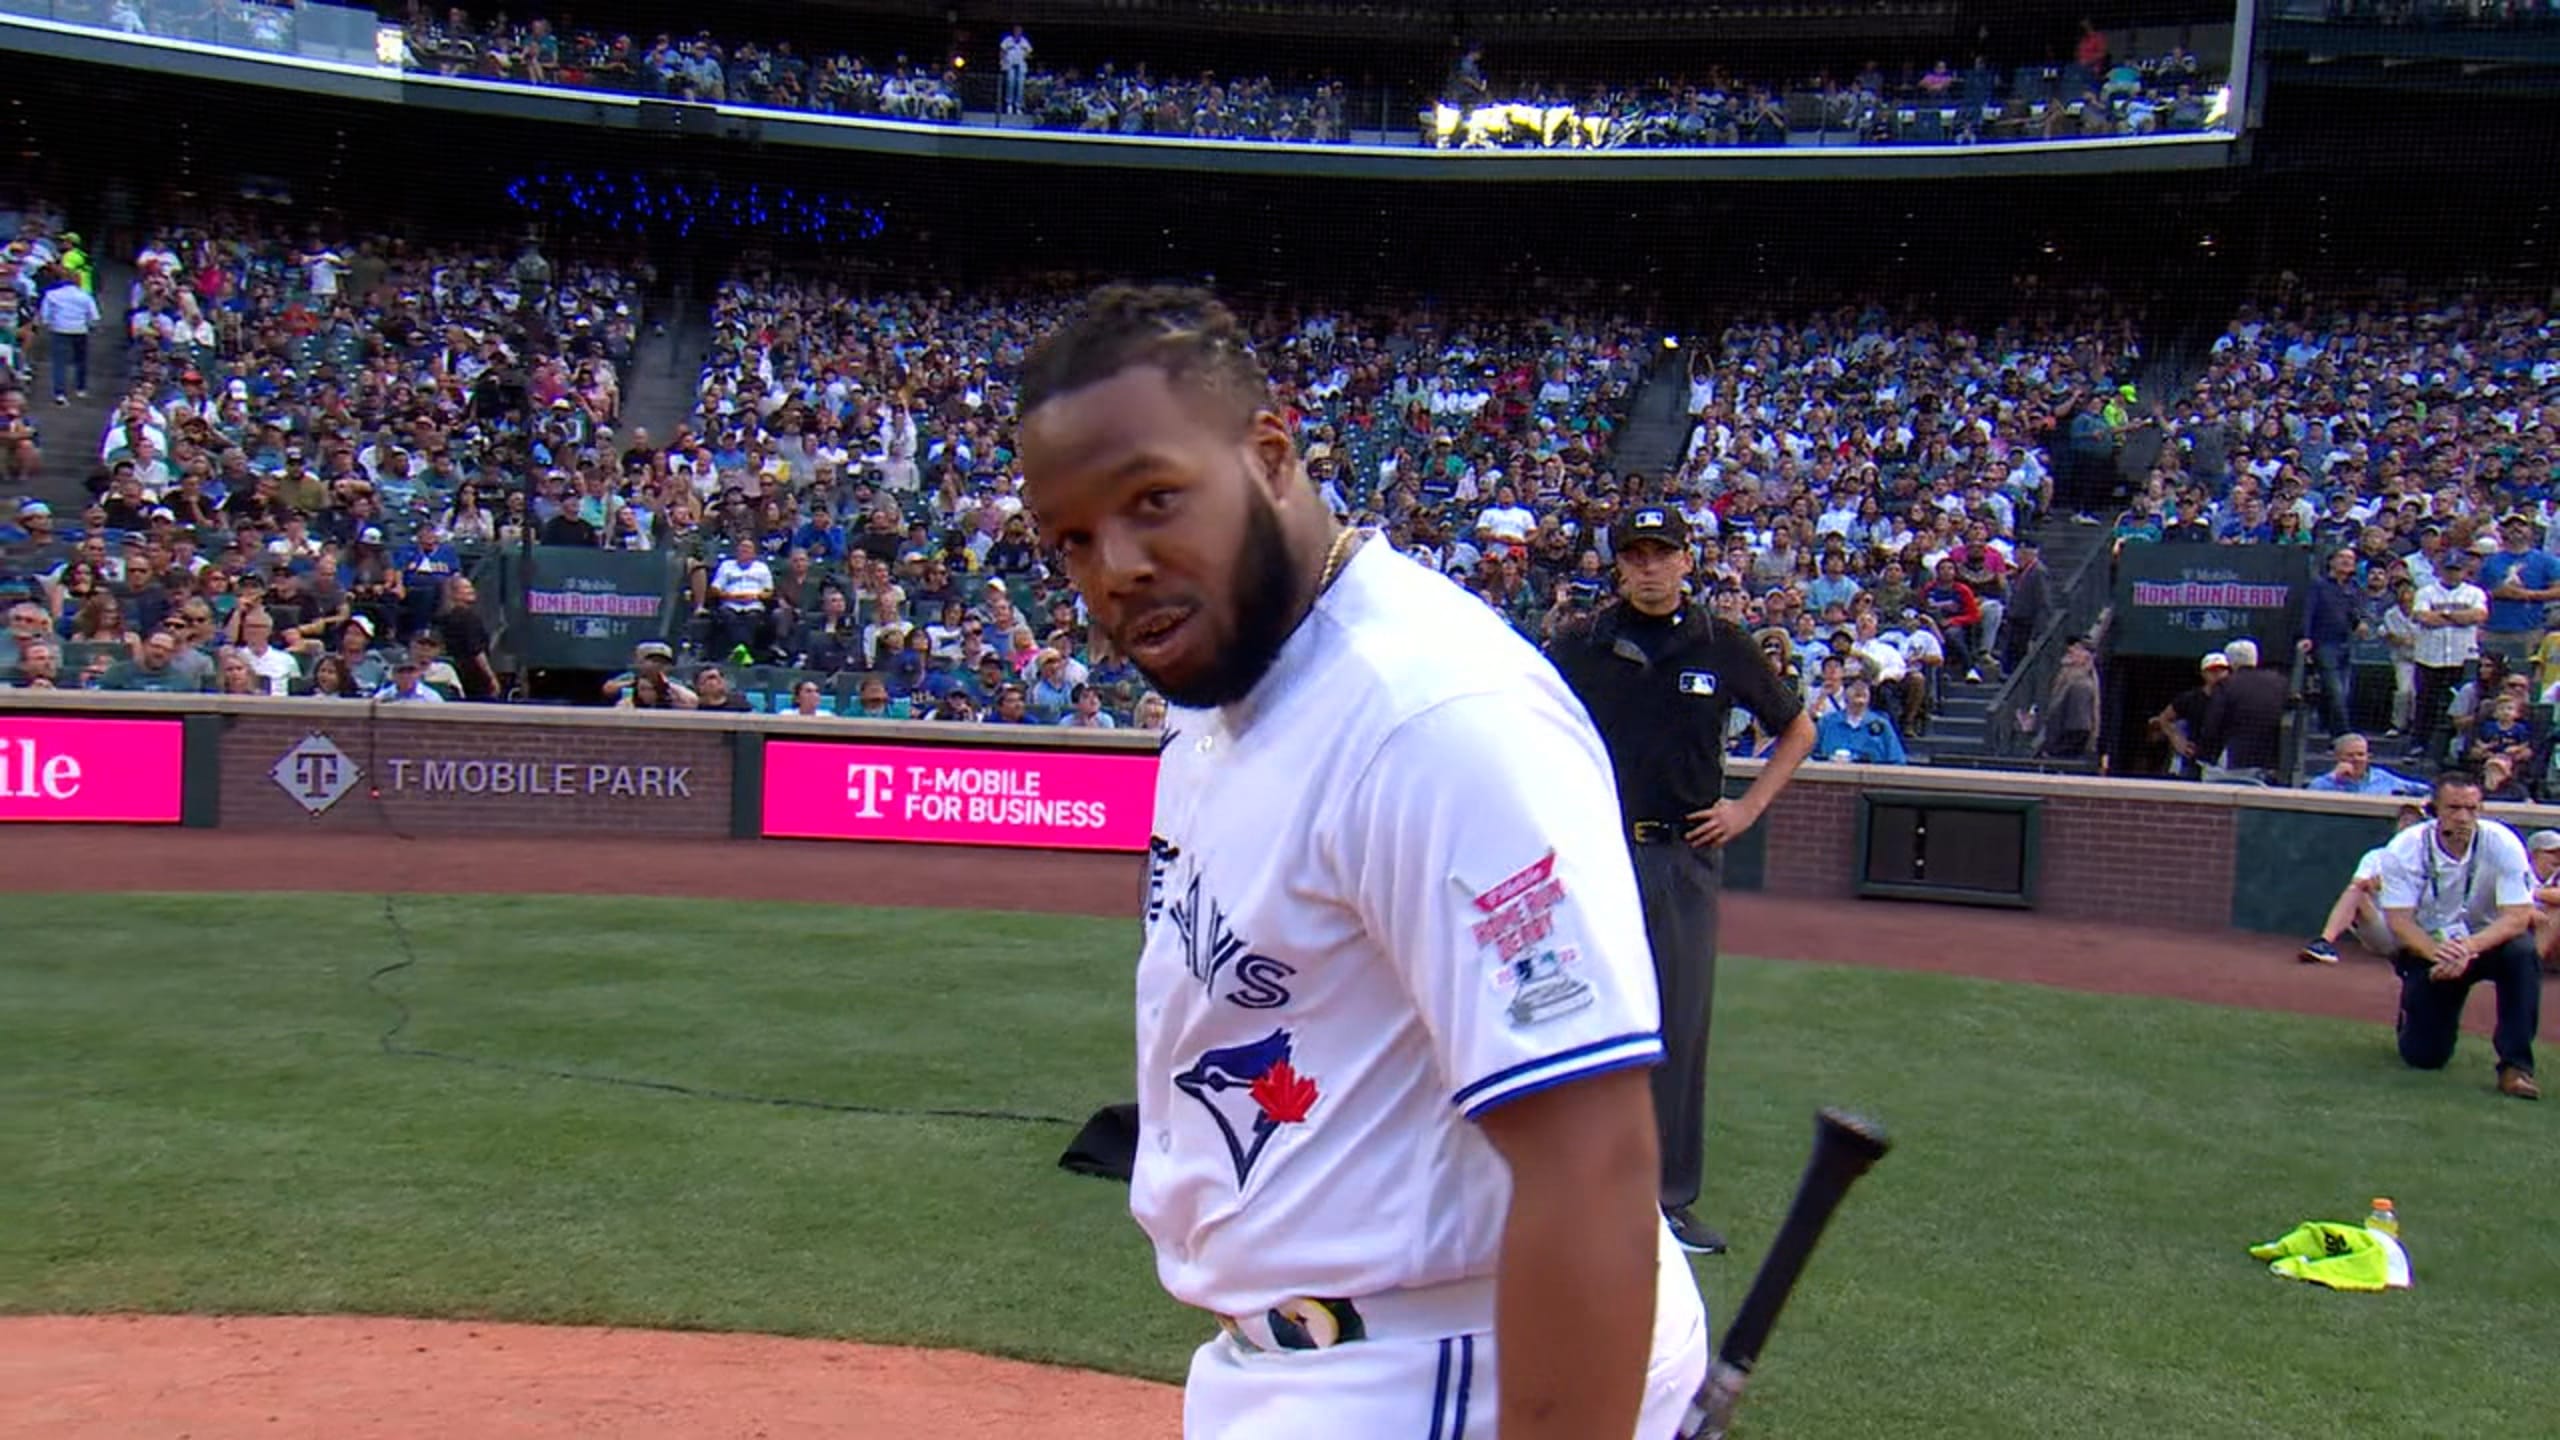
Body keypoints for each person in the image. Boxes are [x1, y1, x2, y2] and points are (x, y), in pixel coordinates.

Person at [1019, 286, 1708, 1440]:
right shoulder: (1222, 686)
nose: (1115, 567)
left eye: (1153, 500)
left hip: (1446, 1369)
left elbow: (1592, 1157)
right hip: (1322, 1359)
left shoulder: (1432, 718)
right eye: (1073, 539)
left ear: (1271, 453)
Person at [1545, 503, 1815, 1258]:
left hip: (1682, 855)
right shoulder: (1582, 645)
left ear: (1686, 562)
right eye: (1636, 555)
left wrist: (1748, 808)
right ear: (1619, 565)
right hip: (1596, 852)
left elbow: (1797, 727)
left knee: (1677, 1024)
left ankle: (1666, 1201)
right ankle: (1573, 1185)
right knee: (1577, 1013)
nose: (1649, 567)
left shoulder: (1719, 644)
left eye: (1662, 553)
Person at [2371, 770, 2542, 1100]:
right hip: (2430, 946)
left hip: (2485, 941)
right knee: (2424, 1058)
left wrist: (2468, 947)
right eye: (2453, 808)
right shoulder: (2404, 848)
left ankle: (2515, 1066)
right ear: (2433, 810)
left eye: (2472, 809)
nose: (2463, 818)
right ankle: (2412, 1014)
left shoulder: (2502, 842)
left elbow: (2517, 917)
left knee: (2522, 952)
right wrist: (2440, 953)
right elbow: (2399, 921)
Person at [2300, 803, 2425, 964]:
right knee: (2356, 891)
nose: (2407, 825)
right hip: (2384, 931)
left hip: (2417, 933)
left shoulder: (2430, 860)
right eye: (2404, 820)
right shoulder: (2376, 856)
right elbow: (2358, 884)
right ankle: (2324, 944)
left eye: (2414, 822)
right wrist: (2377, 886)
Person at [2197, 637, 2288, 783]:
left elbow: (2212, 724)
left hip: (2235, 758)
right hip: (2270, 758)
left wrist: (2204, 754)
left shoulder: (2225, 685)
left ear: (2231, 662)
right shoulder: (2280, 682)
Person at [2304, 732, 2430, 797]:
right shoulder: (2322, 784)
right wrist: (2334, 779)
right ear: (2338, 757)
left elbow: (2424, 790)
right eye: (2350, 755)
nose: (2356, 759)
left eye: (2361, 754)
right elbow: (2307, 803)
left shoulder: (2382, 778)